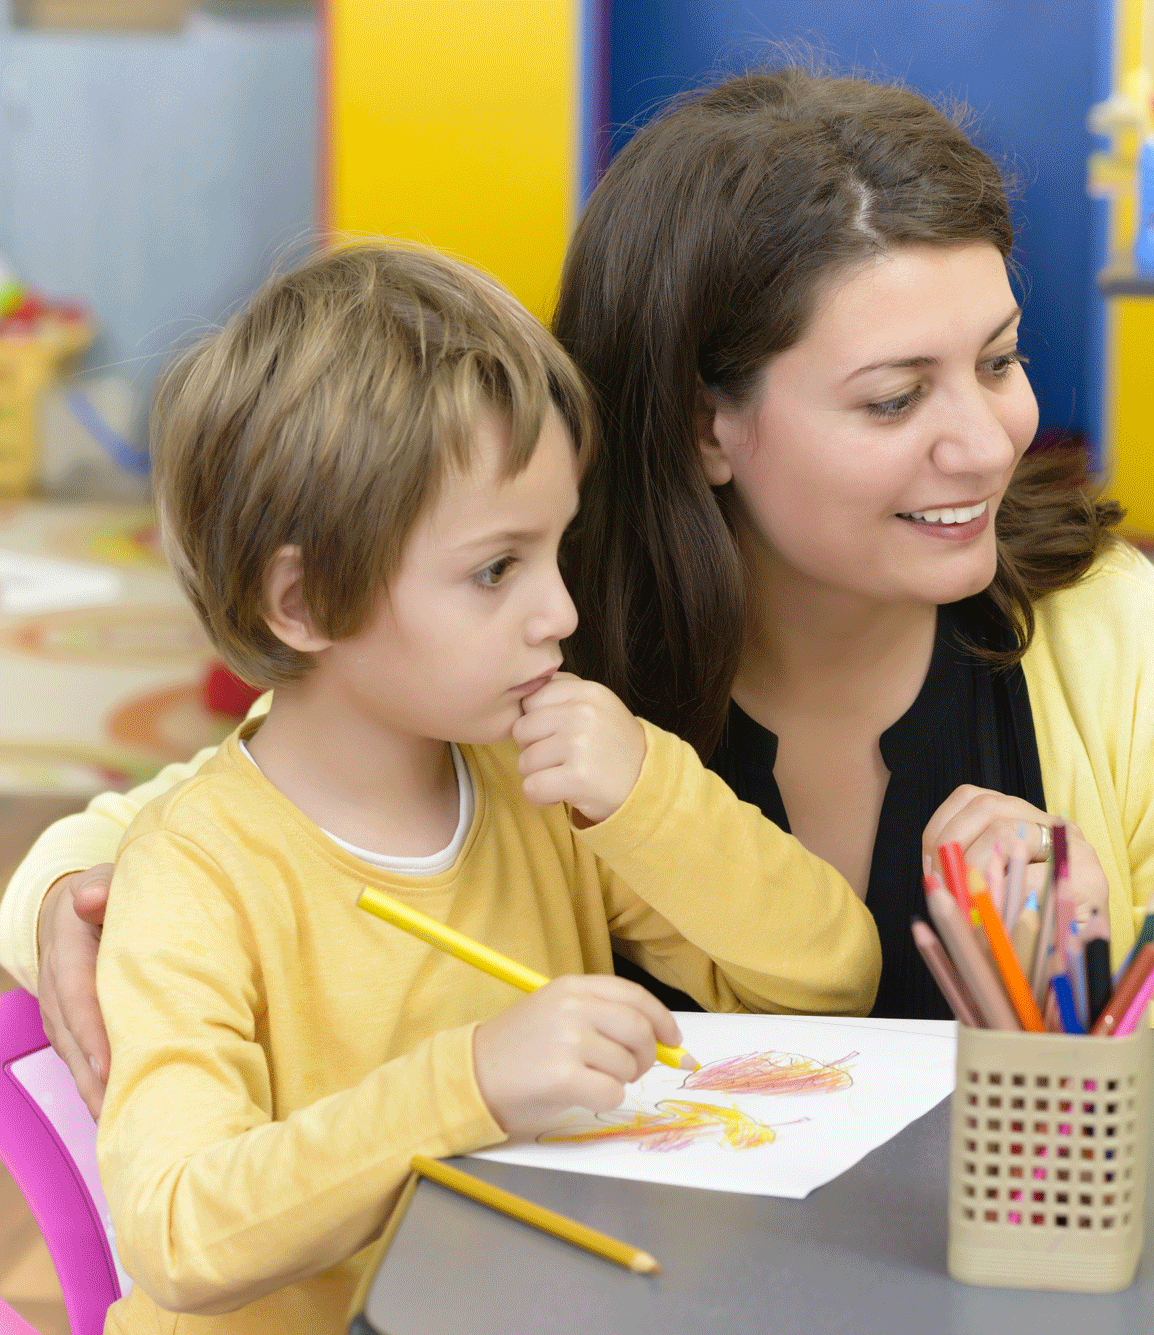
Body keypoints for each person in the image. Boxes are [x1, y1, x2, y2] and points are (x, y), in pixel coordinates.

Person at [8, 68, 1154, 1113]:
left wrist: (1085, 985)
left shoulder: (1104, 630)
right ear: (702, 425)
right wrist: (72, 881)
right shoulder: (540, 645)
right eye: (895, 398)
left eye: (1000, 361)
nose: (988, 439)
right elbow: (243, 798)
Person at [92, 245, 877, 1333]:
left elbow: (829, 979)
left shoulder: (545, 783)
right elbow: (174, 1233)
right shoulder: (195, 875)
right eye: (494, 569)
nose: (558, 610)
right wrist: (468, 1084)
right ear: (306, 600)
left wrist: (647, 799)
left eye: (557, 549)